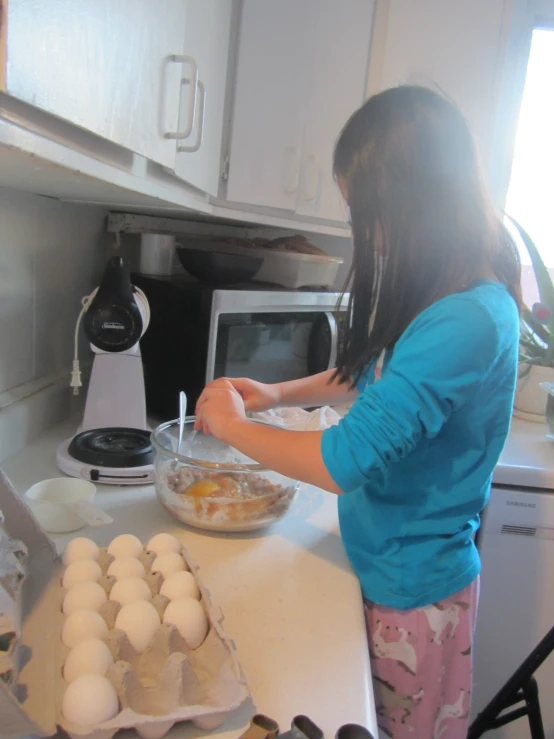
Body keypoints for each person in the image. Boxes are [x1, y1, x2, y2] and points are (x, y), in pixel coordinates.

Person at [194, 86, 521, 738]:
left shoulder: (468, 320)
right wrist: (278, 393)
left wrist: (232, 426)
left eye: (367, 215)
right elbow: (375, 374)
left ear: (415, 203)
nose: (365, 237)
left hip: (413, 603)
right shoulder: (451, 296)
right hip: (383, 570)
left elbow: (343, 460)